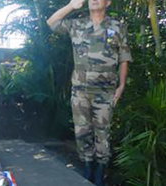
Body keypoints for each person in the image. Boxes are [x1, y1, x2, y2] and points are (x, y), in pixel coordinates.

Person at [47, 0, 132, 185]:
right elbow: (51, 23)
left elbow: (124, 57)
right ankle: (86, 168)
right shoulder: (77, 24)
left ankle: (100, 171)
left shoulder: (118, 27)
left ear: (108, 2)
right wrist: (71, 6)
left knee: (102, 132)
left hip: (105, 91)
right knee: (82, 131)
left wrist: (122, 86)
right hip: (80, 90)